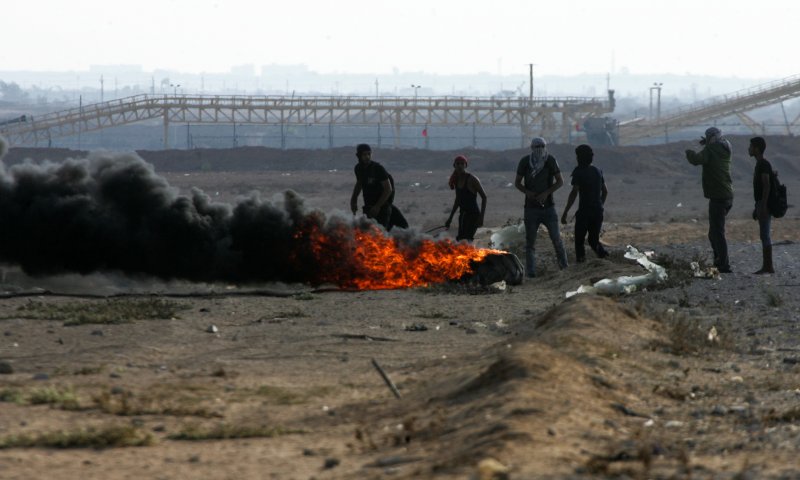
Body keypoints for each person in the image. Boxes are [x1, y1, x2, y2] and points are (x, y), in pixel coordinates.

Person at [515, 137, 568, 278]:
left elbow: (560, 181)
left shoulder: (550, 160)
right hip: (531, 208)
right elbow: (518, 183)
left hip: (548, 207)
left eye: (542, 146)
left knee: (556, 239)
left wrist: (546, 193)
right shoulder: (525, 162)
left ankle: (564, 268)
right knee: (530, 242)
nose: (539, 149)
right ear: (532, 148)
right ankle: (531, 272)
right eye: (536, 146)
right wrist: (528, 193)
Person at [685, 127, 734, 273]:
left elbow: (696, 160)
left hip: (718, 197)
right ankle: (719, 261)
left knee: (717, 233)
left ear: (711, 137)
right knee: (715, 233)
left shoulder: (711, 150)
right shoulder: (726, 147)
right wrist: (707, 144)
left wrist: (689, 151)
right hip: (728, 195)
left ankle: (723, 264)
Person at [560, 144, 609, 262]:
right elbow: (605, 192)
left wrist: (565, 212)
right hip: (597, 212)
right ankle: (605, 258)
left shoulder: (578, 172)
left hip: (584, 212)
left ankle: (581, 264)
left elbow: (574, 193)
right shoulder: (598, 171)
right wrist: (599, 205)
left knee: (579, 240)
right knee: (593, 240)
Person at [444, 155, 487, 242]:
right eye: (458, 164)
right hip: (463, 215)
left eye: (462, 164)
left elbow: (484, 197)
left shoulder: (472, 179)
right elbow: (458, 200)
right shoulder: (456, 180)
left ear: (465, 165)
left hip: (473, 215)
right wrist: (450, 218)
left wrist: (481, 218)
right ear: (454, 165)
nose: (460, 166)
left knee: (466, 240)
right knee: (461, 239)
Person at [350, 144, 394, 229]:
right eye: (364, 154)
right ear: (358, 155)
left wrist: (377, 206)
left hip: (382, 208)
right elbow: (359, 184)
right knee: (367, 233)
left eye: (369, 154)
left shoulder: (378, 169)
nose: (367, 157)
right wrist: (353, 199)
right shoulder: (358, 168)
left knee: (380, 233)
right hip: (368, 206)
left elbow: (388, 189)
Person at [748, 136, 774, 274]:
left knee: (765, 235)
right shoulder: (760, 164)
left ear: (757, 149)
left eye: (751, 146)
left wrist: (763, 206)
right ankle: (767, 266)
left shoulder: (763, 164)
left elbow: (766, 185)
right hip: (760, 203)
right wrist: (757, 207)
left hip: (764, 204)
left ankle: (768, 266)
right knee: (764, 235)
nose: (749, 149)